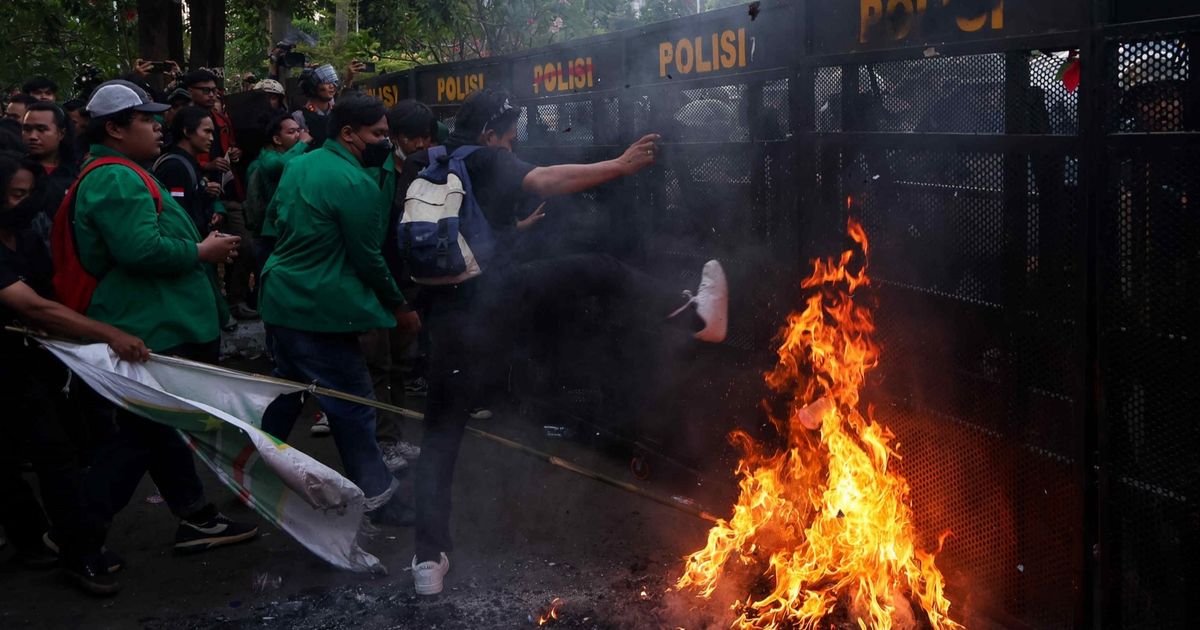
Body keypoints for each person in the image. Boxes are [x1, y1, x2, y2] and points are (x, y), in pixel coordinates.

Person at [406, 89, 728, 596]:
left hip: (450, 323)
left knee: (440, 438)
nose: (513, 147)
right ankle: (696, 317)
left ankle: (428, 560)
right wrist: (619, 166)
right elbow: (546, 180)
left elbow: (444, 241)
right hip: (498, 300)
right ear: (491, 133)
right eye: (510, 137)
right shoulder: (489, 157)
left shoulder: (424, 166)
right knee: (596, 269)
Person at [63, 79, 255, 594]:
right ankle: (80, 541)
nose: (157, 125)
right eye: (145, 119)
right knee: (136, 440)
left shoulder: (128, 173)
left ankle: (194, 514)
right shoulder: (116, 179)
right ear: (115, 129)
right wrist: (201, 252)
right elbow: (140, 251)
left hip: (156, 325)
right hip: (146, 331)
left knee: (157, 430)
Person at [259, 94, 419, 526]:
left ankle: (254, 466)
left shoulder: (299, 165)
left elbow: (275, 221)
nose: (386, 142)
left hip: (280, 296)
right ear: (349, 133)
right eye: (379, 134)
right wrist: (399, 306)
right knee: (352, 402)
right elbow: (368, 257)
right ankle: (379, 496)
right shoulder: (356, 183)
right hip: (318, 307)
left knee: (288, 390)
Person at [0, 152, 149, 581]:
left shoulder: (23, 234)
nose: (19, 203)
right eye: (11, 194)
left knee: (49, 452)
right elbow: (33, 305)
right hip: (9, 369)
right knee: (50, 455)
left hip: (28, 362)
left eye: (26, 195)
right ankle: (74, 551)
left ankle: (43, 541)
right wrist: (108, 334)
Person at [360, 100, 437, 471]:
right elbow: (371, 242)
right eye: (412, 137)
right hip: (379, 283)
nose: (421, 143)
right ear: (395, 137)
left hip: (409, 282)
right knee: (378, 362)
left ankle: (394, 437)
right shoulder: (378, 173)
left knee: (401, 365)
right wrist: (392, 297)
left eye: (426, 136)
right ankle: (380, 443)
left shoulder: (431, 168)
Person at [153, 106, 225, 238]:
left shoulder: (190, 164)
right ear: (187, 131)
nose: (211, 139)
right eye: (207, 131)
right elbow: (178, 213)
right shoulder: (175, 167)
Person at [21, 101, 80, 246]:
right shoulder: (14, 173)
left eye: (41, 129)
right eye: (27, 129)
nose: (33, 136)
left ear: (61, 133)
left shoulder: (78, 176)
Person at [291, 64, 340, 150]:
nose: (332, 86)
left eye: (332, 81)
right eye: (326, 82)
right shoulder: (299, 117)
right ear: (312, 86)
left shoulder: (337, 112)